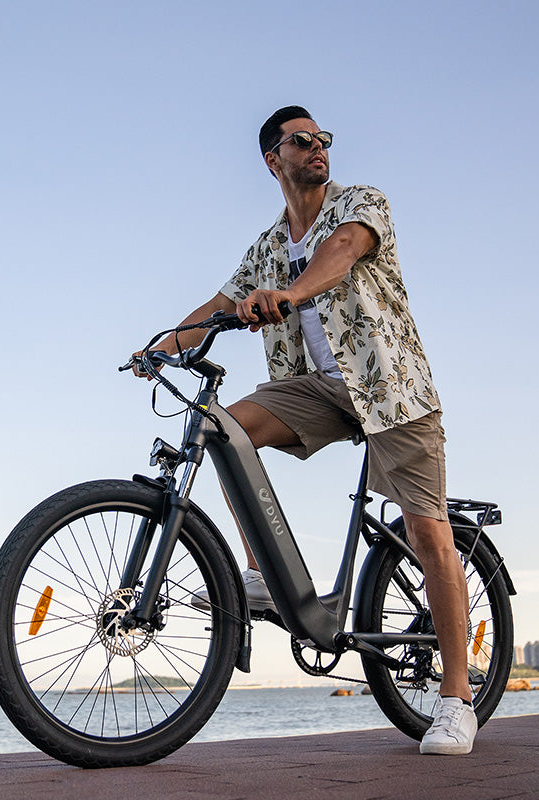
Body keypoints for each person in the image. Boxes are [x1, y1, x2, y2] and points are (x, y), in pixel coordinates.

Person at [135, 106, 477, 755]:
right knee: (225, 427)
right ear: (274, 159)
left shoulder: (360, 202)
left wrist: (290, 296)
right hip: (318, 388)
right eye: (302, 141)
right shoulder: (266, 247)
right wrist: (159, 348)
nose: (317, 147)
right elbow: (219, 305)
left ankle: (457, 699)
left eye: (323, 139)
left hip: (389, 388)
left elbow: (341, 253)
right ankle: (261, 573)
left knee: (426, 529)